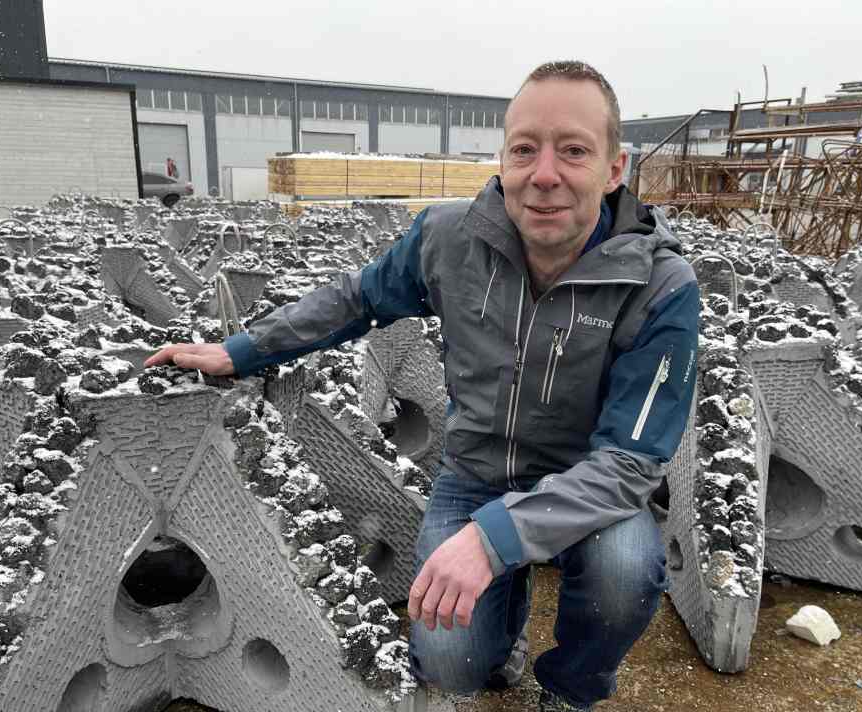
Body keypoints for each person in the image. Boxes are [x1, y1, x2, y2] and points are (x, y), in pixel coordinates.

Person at [146, 60, 699, 711]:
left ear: (614, 168)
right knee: (451, 663)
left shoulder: (660, 287)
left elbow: (630, 464)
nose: (544, 174)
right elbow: (356, 300)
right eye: (525, 149)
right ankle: (501, 637)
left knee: (624, 572)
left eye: (573, 150)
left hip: (588, 482)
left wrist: (495, 538)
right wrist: (238, 351)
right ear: (503, 157)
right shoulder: (450, 239)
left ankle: (572, 689)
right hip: (477, 470)